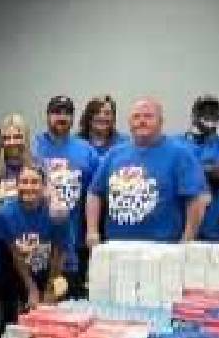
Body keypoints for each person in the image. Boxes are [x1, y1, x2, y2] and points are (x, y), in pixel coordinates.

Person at [85, 98, 210, 246]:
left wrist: (187, 239)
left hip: (163, 249)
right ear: (129, 122)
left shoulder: (181, 154)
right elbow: (94, 193)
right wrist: (92, 231)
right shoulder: (114, 154)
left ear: (161, 121)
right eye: (136, 117)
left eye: (148, 116)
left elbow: (197, 199)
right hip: (116, 247)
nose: (142, 121)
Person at [34, 95, 98, 297]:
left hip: (74, 241)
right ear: (47, 116)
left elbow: (96, 193)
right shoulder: (33, 146)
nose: (61, 117)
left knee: (70, 302)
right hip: (38, 241)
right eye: (56, 112)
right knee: (40, 301)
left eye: (66, 113)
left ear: (73, 117)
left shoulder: (87, 150)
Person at [0, 162, 67, 313]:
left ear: (44, 186)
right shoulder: (4, 213)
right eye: (24, 182)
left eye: (35, 182)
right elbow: (15, 254)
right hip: (24, 270)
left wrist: (49, 289)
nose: (29, 187)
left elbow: (59, 253)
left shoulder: (56, 213)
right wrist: (32, 288)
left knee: (52, 313)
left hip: (57, 269)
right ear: (17, 185)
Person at [0, 113, 33, 338]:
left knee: (24, 300)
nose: (12, 141)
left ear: (25, 138)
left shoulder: (35, 165)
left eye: (18, 136)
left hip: (26, 244)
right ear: (1, 139)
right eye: (8, 137)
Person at [182, 95, 219, 243]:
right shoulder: (176, 144)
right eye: (203, 110)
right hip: (179, 231)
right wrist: (211, 169)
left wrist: (189, 169)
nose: (209, 115)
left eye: (214, 112)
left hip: (212, 234)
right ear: (193, 114)